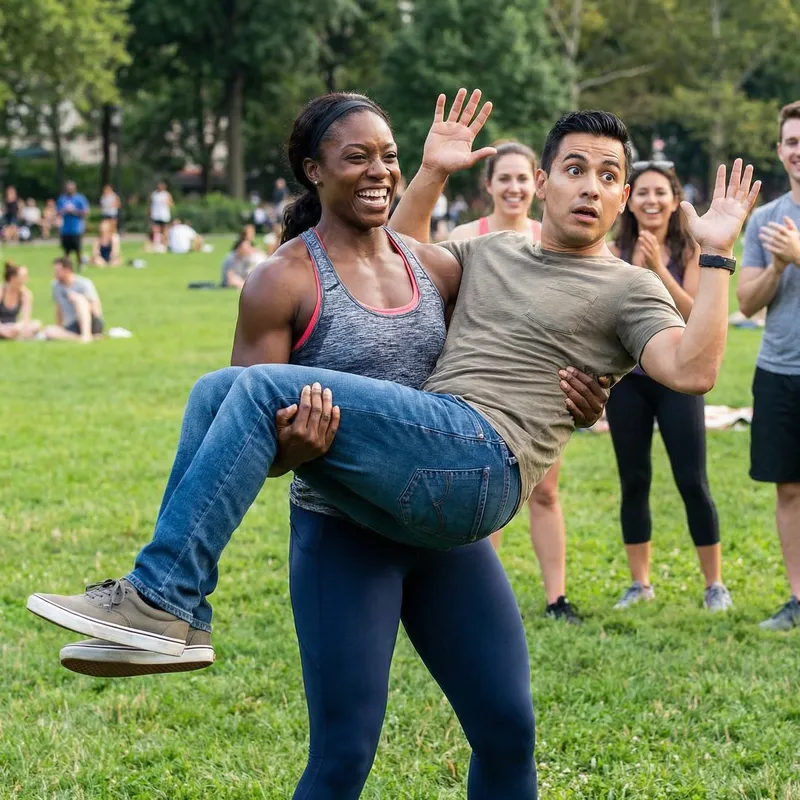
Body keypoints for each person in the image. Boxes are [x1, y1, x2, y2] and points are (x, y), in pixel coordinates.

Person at [28, 90, 757, 687]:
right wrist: (431, 172)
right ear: (542, 182)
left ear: (625, 195)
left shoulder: (627, 288)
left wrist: (718, 252)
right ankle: (175, 619)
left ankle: (160, 596)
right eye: (574, 168)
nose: (590, 187)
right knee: (217, 389)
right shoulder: (488, 252)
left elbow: (692, 371)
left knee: (250, 390)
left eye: (607, 176)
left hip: (482, 460)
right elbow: (391, 260)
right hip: (431, 455)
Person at [50, 94, 608, 799]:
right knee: (344, 754)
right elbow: (249, 442)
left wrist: (583, 391)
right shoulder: (281, 279)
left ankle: (167, 603)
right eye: (357, 157)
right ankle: (169, 604)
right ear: (314, 171)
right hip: (344, 539)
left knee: (508, 728)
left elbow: (518, 346)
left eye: (389, 157)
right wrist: (296, 448)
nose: (379, 172)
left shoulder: (434, 268)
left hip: (439, 531)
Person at [449, 141, 584, 623]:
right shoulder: (466, 237)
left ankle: (557, 598)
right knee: (485, 495)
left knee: (545, 492)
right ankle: (482, 599)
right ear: (489, 185)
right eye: (504, 178)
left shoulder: (554, 238)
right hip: (479, 392)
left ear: (539, 184)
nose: (514, 187)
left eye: (523, 178)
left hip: (542, 392)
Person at [606, 161, 732, 611]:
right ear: (628, 199)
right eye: (642, 192)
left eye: (660, 192)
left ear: (674, 198)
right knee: (633, 479)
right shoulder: (613, 250)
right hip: (629, 382)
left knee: (692, 480)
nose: (651, 200)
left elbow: (697, 315)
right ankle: (640, 584)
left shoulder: (691, 250)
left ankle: (714, 584)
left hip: (678, 379)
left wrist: (658, 267)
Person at [737, 100, 800, 630]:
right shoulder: (764, 219)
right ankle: (797, 598)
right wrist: (778, 263)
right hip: (779, 369)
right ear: (780, 151)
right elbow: (747, 304)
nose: (799, 151)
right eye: (793, 142)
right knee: (789, 487)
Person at [41, 257, 104, 343]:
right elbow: (59, 307)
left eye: (57, 271)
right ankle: (84, 338)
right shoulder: (55, 286)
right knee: (49, 331)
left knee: (78, 298)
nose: (55, 273)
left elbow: (96, 309)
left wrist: (79, 306)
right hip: (72, 324)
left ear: (67, 270)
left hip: (90, 321)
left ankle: (86, 334)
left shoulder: (84, 283)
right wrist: (59, 326)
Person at [0, 262, 41, 340]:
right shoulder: (1, 291)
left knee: (37, 324)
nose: (27, 279)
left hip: (13, 326)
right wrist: (2, 329)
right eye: (24, 276)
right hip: (1, 326)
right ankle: (17, 336)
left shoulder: (26, 294)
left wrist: (18, 327)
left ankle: (12, 335)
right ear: (13, 278)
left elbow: (26, 318)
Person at [56, 181, 90, 267]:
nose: (69, 190)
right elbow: (58, 212)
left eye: (71, 188)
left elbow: (86, 212)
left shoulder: (80, 199)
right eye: (68, 188)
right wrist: (64, 210)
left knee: (77, 249)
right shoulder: (62, 199)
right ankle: (67, 266)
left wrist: (74, 211)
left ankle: (80, 264)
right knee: (66, 250)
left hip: (76, 228)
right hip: (65, 229)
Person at [149, 181, 174, 248]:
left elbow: (172, 204)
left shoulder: (166, 194)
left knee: (165, 230)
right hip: (155, 215)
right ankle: (156, 243)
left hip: (164, 215)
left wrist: (167, 202)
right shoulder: (154, 194)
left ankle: (165, 244)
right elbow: (150, 204)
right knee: (155, 230)